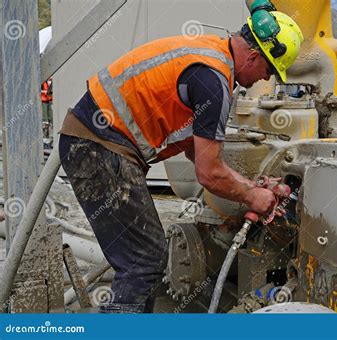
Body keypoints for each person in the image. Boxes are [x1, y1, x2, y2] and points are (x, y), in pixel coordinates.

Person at [58, 10, 303, 313]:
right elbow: (209, 173)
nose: (265, 78)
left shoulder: (210, 58)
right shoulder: (213, 81)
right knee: (143, 259)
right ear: (254, 56)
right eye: (269, 69)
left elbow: (198, 153)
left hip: (95, 143)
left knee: (144, 259)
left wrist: (250, 186)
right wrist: (257, 197)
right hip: (97, 147)